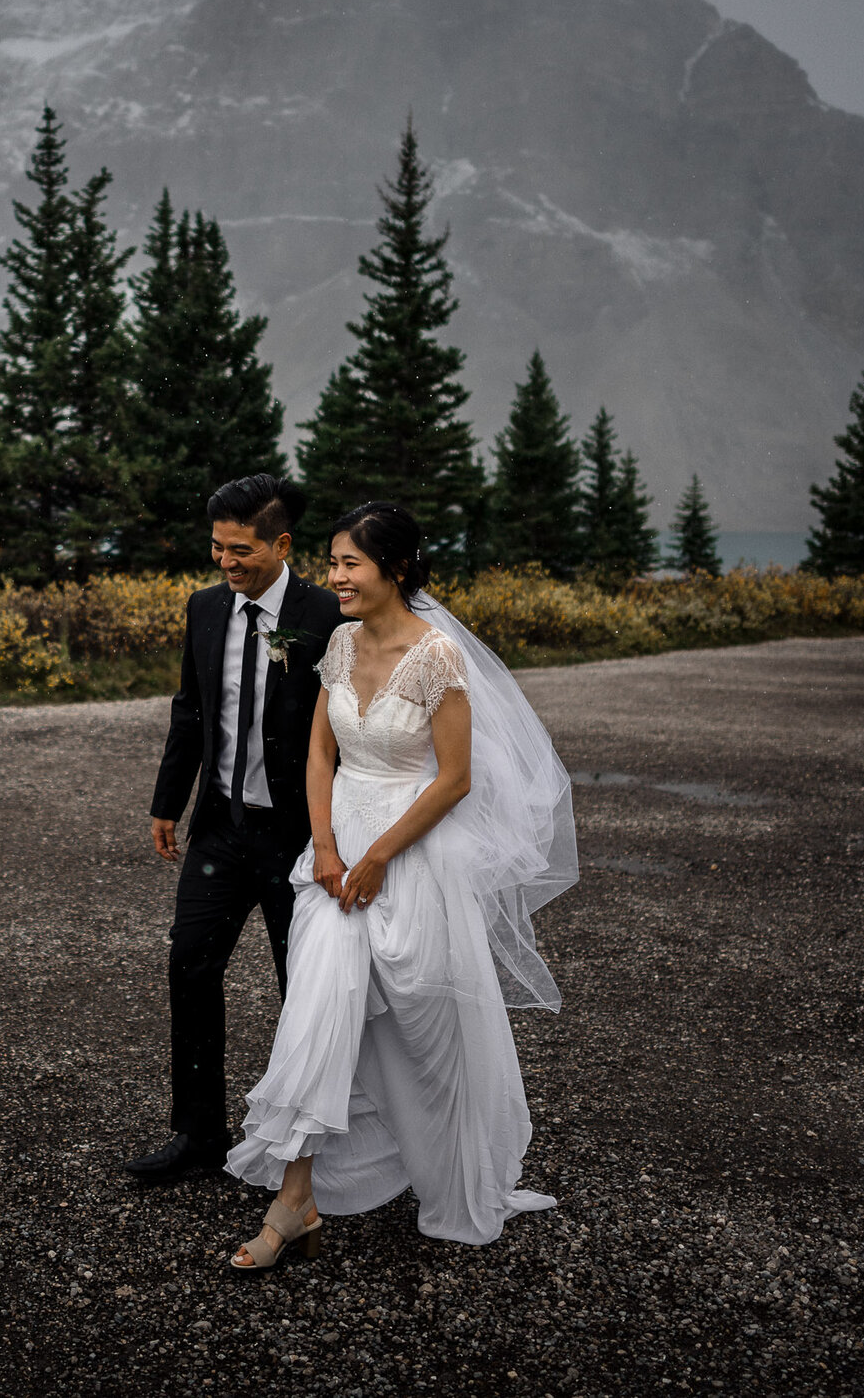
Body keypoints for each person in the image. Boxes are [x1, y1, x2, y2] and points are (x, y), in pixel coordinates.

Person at [224, 502, 578, 1266]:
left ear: (397, 569)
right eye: (332, 561)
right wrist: (325, 846)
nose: (335, 576)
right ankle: (295, 1197)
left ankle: (453, 1170)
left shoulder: (437, 655)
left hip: (412, 851)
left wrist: (378, 855)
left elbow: (454, 780)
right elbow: (321, 755)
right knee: (318, 1001)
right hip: (336, 847)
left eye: (350, 562)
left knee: (426, 1030)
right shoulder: (343, 644)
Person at [124, 474, 346, 1182]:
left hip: (299, 839)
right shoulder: (204, 608)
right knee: (189, 964)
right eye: (217, 547)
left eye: (241, 549)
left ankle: (306, 1150)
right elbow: (190, 710)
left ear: (282, 544)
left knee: (302, 990)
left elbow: (350, 731)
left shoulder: (327, 615)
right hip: (220, 827)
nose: (225, 561)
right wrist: (168, 802)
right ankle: (198, 1135)